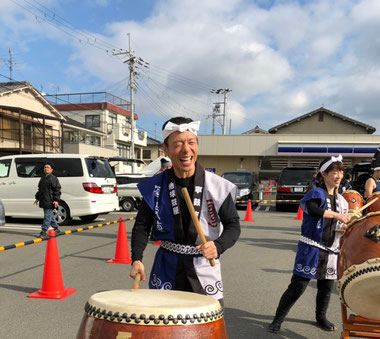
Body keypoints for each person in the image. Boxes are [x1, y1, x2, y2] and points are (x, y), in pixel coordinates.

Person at [129, 117, 240, 306]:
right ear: (166, 149)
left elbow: (233, 225)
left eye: (191, 142)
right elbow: (142, 226)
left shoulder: (217, 186)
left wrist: (218, 246)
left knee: (208, 327)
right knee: (163, 327)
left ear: (197, 145)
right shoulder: (155, 186)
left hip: (204, 266)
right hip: (167, 264)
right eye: (178, 144)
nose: (186, 150)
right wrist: (136, 259)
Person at [268, 155, 351, 333]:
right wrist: (337, 216)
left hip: (331, 250)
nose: (338, 175)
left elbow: (340, 223)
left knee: (326, 287)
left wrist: (345, 225)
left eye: (341, 172)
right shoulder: (316, 193)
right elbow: (313, 210)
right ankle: (278, 319)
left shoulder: (342, 200)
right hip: (311, 247)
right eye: (334, 172)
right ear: (324, 173)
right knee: (298, 286)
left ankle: (321, 317)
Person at [34, 162, 61, 237]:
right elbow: (40, 190)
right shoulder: (42, 178)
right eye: (45, 167)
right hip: (43, 200)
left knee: (47, 216)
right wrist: (37, 198)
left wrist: (56, 200)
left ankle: (43, 231)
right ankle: (56, 228)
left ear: (51, 170)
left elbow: (57, 190)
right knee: (50, 216)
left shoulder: (53, 178)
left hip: (50, 201)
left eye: (48, 167)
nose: (46, 168)